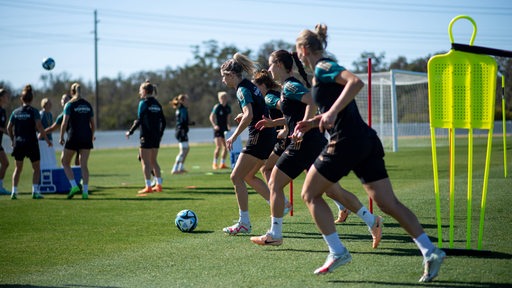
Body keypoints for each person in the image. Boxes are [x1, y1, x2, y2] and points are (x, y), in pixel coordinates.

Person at [294, 24, 445, 281]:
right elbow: (340, 105)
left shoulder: (323, 66)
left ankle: (337, 251)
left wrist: (329, 114)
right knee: (388, 203)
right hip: (365, 141)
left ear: (304, 49)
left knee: (309, 194)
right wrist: (314, 120)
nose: (297, 56)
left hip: (346, 142)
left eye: (297, 51)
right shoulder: (322, 72)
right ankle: (429, 251)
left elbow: (356, 81)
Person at [249, 50, 381, 248]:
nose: (268, 70)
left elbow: (311, 100)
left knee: (275, 182)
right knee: (333, 191)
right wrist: (275, 124)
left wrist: (302, 126)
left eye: (270, 65)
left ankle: (275, 233)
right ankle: (373, 221)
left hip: (305, 143)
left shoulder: (291, 85)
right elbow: (296, 113)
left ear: (278, 64)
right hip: (312, 142)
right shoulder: (286, 88)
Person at [220, 52, 277, 235]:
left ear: (231, 74)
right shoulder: (250, 86)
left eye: (224, 76)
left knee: (236, 177)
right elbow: (254, 112)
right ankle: (278, 204)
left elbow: (250, 115)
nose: (223, 81)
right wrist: (243, 116)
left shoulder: (242, 89)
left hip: (259, 136)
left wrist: (234, 136)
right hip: (267, 135)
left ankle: (244, 223)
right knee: (248, 176)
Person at [251, 69, 292, 214]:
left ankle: (282, 203)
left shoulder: (269, 97)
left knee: (264, 169)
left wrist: (286, 128)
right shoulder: (269, 97)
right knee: (313, 172)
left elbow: (288, 110)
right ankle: (342, 205)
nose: (254, 91)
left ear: (262, 85)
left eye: (255, 87)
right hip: (287, 138)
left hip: (286, 138)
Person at [7, 84, 52, 199]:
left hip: (19, 143)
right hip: (31, 143)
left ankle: (14, 192)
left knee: (18, 168)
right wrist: (47, 139)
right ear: (32, 99)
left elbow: (8, 127)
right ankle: (35, 192)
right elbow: (40, 127)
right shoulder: (34, 111)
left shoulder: (15, 112)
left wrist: (12, 139)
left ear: (21, 99)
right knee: (36, 168)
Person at [126, 80, 166, 194]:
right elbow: (163, 121)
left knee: (145, 162)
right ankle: (159, 185)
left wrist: (130, 131)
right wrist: (160, 134)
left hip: (146, 136)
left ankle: (148, 186)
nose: (139, 93)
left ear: (144, 91)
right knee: (154, 161)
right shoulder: (157, 104)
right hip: (156, 137)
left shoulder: (143, 103)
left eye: (140, 90)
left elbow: (139, 120)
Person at [59, 83, 95, 199]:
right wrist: (92, 135)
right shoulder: (88, 105)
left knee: (65, 162)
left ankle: (74, 185)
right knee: (84, 165)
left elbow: (64, 123)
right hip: (86, 137)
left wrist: (61, 137)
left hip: (73, 136)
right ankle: (85, 192)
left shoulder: (69, 105)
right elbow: (93, 124)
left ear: (71, 92)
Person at [46, 93, 80, 166]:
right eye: (62, 99)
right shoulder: (62, 116)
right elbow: (53, 127)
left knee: (75, 160)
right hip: (74, 138)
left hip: (77, 138)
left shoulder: (75, 110)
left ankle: (75, 175)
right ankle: (71, 175)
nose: (63, 100)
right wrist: (43, 132)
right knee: (65, 160)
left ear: (70, 100)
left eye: (65, 99)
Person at [171, 94, 194, 174]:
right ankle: (175, 168)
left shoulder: (181, 109)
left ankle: (180, 167)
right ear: (182, 101)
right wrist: (190, 123)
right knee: (183, 150)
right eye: (187, 100)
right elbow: (184, 121)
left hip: (181, 131)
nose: (188, 102)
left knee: (186, 149)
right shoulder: (182, 109)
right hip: (181, 132)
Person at [209, 91, 231, 170]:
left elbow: (228, 119)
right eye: (222, 98)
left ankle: (222, 163)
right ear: (219, 99)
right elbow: (211, 117)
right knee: (218, 147)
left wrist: (228, 126)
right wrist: (214, 125)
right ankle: (214, 163)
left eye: (225, 97)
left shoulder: (228, 107)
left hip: (224, 130)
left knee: (226, 147)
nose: (223, 99)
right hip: (218, 129)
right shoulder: (217, 107)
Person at [38, 97, 58, 169]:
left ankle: (52, 169)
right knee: (44, 157)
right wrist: (47, 139)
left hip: (49, 138)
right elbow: (39, 128)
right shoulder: (41, 114)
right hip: (43, 140)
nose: (50, 105)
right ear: (44, 104)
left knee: (51, 156)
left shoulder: (50, 114)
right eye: (49, 104)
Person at [0, 88, 10, 195]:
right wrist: (7, 132)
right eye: (6, 96)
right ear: (1, 97)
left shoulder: (3, 111)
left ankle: (0, 186)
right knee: (5, 163)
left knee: (5, 163)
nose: (8, 98)